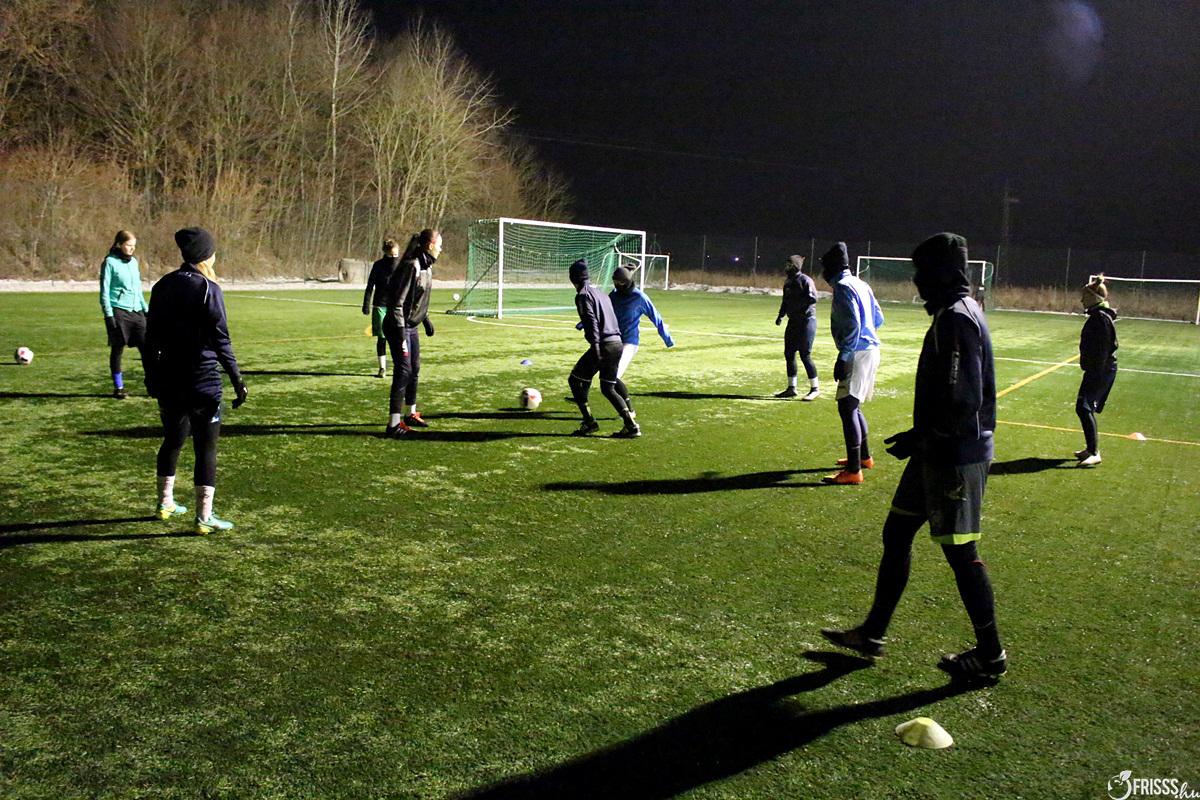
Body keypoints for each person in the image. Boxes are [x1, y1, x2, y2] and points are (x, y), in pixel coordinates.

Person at [821, 232, 1006, 682]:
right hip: (935, 449)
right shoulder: (953, 312)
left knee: (961, 552)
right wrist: (919, 436)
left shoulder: (956, 319)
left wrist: (924, 436)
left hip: (955, 454)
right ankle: (873, 633)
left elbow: (963, 400)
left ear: (941, 273)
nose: (917, 282)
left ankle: (991, 654)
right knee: (898, 531)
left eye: (922, 272)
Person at [145, 227, 248, 534]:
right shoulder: (208, 288)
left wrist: (152, 376)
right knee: (206, 448)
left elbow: (151, 339)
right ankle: (204, 517)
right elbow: (221, 341)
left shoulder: (163, 285)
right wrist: (237, 380)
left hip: (169, 379)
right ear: (206, 255)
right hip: (203, 380)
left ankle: (164, 503)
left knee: (172, 440)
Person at [820, 242, 884, 484]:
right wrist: (867, 334)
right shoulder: (861, 284)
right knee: (854, 406)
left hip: (857, 353)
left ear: (831, 268)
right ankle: (864, 457)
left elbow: (853, 324)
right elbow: (879, 318)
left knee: (847, 407)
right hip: (871, 350)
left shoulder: (843, 287)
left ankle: (854, 470)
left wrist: (845, 355)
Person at [568, 258, 639, 438]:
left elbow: (591, 321)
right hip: (617, 343)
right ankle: (631, 426)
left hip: (603, 344)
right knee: (608, 387)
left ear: (573, 278)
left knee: (574, 380)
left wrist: (596, 347)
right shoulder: (601, 294)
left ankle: (589, 422)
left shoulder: (582, 295)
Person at [381, 229, 439, 437]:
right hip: (398, 325)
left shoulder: (427, 266)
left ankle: (410, 414)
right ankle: (393, 425)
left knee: (414, 368)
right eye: (439, 245)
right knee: (403, 370)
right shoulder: (412, 265)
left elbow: (417, 299)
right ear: (430, 245)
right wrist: (400, 333)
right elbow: (397, 303)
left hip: (411, 325)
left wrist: (425, 319)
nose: (441, 249)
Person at [99, 230, 150, 399]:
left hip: (137, 311)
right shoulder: (109, 262)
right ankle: (118, 387)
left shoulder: (134, 262)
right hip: (118, 311)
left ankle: (153, 384)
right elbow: (104, 291)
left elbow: (137, 289)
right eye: (128, 245)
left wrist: (145, 310)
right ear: (119, 244)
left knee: (147, 349)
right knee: (117, 350)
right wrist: (108, 314)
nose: (132, 249)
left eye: (134, 246)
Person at [1075, 275, 1118, 467]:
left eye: (1084, 296)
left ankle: (1094, 452)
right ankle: (1090, 449)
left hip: (1100, 370)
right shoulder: (1099, 316)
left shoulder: (1100, 318)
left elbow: (1104, 348)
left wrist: (1094, 371)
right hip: (1098, 369)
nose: (1081, 300)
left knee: (1084, 407)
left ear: (1093, 297)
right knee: (1084, 407)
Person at [609, 265, 674, 380]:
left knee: (614, 375)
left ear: (626, 282)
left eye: (619, 282)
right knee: (605, 372)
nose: (616, 285)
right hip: (613, 340)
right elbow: (602, 311)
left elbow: (656, 318)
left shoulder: (640, 298)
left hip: (629, 342)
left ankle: (619, 392)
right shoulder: (614, 295)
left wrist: (667, 339)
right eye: (615, 282)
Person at [774, 254, 820, 400]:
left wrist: (798, 308)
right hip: (793, 322)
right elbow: (785, 301)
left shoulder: (805, 280)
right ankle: (791, 388)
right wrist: (781, 315)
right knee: (789, 354)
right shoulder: (788, 282)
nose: (786, 268)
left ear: (795, 266)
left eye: (789, 265)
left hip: (806, 321)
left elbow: (813, 298)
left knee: (805, 355)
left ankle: (815, 388)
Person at [363, 238, 402, 378]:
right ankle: (382, 368)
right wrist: (366, 303)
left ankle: (400, 367)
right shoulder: (378, 265)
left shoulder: (401, 265)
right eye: (392, 255)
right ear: (386, 253)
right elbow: (370, 286)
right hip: (380, 305)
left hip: (397, 306)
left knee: (399, 338)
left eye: (396, 255)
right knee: (382, 338)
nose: (394, 258)